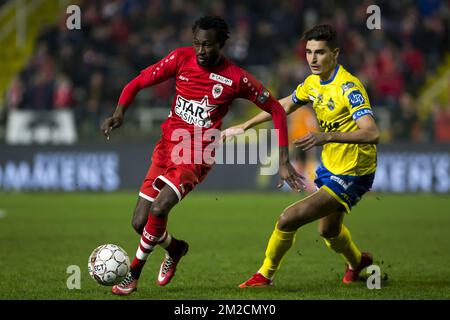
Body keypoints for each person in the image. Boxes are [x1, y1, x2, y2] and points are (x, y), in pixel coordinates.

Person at [100, 15, 304, 296]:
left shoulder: (237, 78)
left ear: (220, 44)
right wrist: (119, 112)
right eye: (197, 43)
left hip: (197, 151)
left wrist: (283, 160)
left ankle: (132, 276)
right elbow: (138, 81)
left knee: (160, 209)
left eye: (207, 45)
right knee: (139, 223)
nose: (201, 50)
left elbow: (277, 110)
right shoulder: (181, 59)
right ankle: (175, 248)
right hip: (166, 147)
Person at [222, 24, 379, 287]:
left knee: (288, 218)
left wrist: (325, 136)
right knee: (328, 230)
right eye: (308, 52)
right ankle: (358, 262)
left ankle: (265, 275)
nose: (312, 59)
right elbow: (280, 106)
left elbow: (371, 133)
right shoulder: (312, 83)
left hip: (354, 170)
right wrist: (245, 125)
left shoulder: (349, 88)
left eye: (319, 52)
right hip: (332, 165)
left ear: (335, 54)